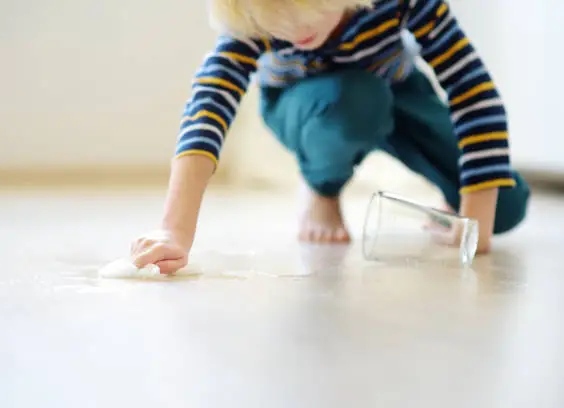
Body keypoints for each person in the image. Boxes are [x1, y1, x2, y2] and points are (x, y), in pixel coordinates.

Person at [130, 0, 530, 274]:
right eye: (276, 22)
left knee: (506, 206)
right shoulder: (256, 12)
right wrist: (174, 230)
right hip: (307, 105)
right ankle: (322, 186)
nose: (290, 31)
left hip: (398, 88)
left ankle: (449, 190)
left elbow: (471, 87)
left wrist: (476, 214)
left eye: (303, 14)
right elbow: (208, 105)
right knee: (356, 101)